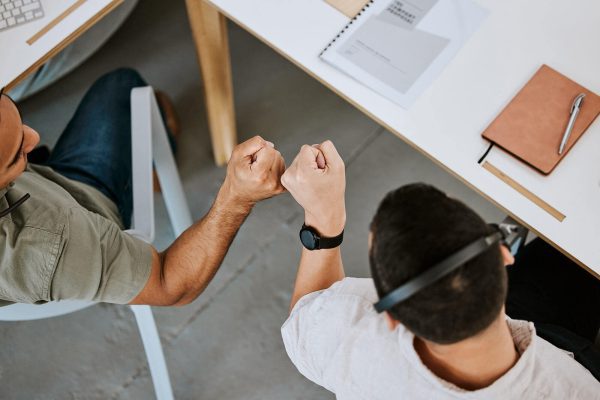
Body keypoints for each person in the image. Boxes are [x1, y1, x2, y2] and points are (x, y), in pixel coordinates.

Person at [280, 141, 600, 399]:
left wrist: (324, 217)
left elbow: (308, 315)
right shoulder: (576, 389)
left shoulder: (354, 337)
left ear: (391, 316)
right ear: (504, 254)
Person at [0, 68, 286, 306]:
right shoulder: (47, 242)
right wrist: (237, 197)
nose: (34, 136)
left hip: (44, 183)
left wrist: (18, 161)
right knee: (124, 86)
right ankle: (150, 168)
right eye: (16, 154)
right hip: (82, 213)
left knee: (118, 84)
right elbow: (170, 284)